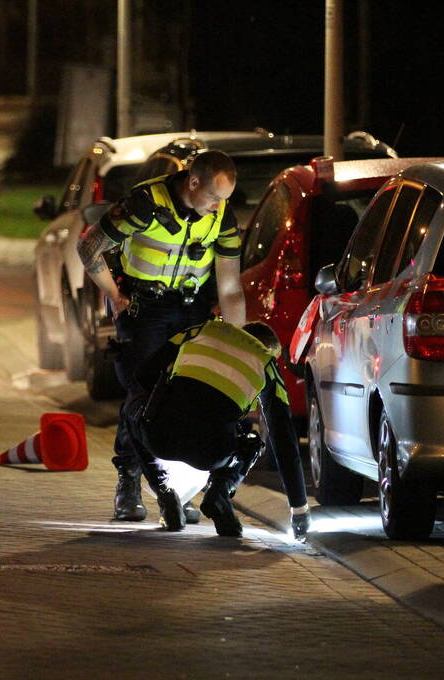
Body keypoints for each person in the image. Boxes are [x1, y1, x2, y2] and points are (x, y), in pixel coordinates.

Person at [77, 150, 247, 523]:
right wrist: (114, 294)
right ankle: (129, 481)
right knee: (143, 394)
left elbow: (231, 287)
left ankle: (178, 489)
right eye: (214, 197)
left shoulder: (221, 217)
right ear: (193, 182)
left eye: (225, 199)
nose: (219, 206)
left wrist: (238, 344)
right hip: (145, 310)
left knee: (186, 398)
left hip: (191, 309)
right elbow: (90, 247)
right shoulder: (145, 204)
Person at [127, 319, 311, 539]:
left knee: (132, 408)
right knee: (250, 441)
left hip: (161, 438)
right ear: (269, 350)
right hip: (212, 453)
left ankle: (165, 494)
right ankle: (220, 493)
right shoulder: (266, 363)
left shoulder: (199, 331)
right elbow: (284, 440)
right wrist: (299, 510)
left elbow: (142, 375)